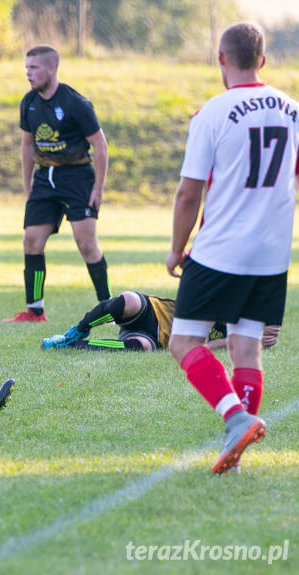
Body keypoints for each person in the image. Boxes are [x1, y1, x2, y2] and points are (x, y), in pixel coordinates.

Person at [166, 23, 298, 474]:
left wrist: (175, 249)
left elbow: (189, 193)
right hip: (271, 255)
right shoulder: (294, 111)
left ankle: (234, 417)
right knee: (247, 348)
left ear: (221, 59)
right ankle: (235, 451)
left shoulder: (213, 112)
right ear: (262, 60)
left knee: (183, 342)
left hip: (221, 251)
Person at [5, 45, 110, 323]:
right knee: (31, 241)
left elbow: (100, 146)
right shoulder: (28, 102)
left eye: (34, 67)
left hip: (77, 178)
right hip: (45, 179)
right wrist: (28, 187)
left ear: (52, 69)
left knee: (86, 244)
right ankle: (35, 312)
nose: (28, 73)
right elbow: (27, 145)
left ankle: (107, 307)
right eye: (26, 67)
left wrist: (98, 188)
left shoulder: (76, 103)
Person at [40, 290, 280, 352]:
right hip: (152, 311)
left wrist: (247, 340)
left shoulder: (240, 331)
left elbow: (201, 348)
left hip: (155, 338)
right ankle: (78, 331)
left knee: (141, 348)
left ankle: (70, 345)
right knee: (128, 300)